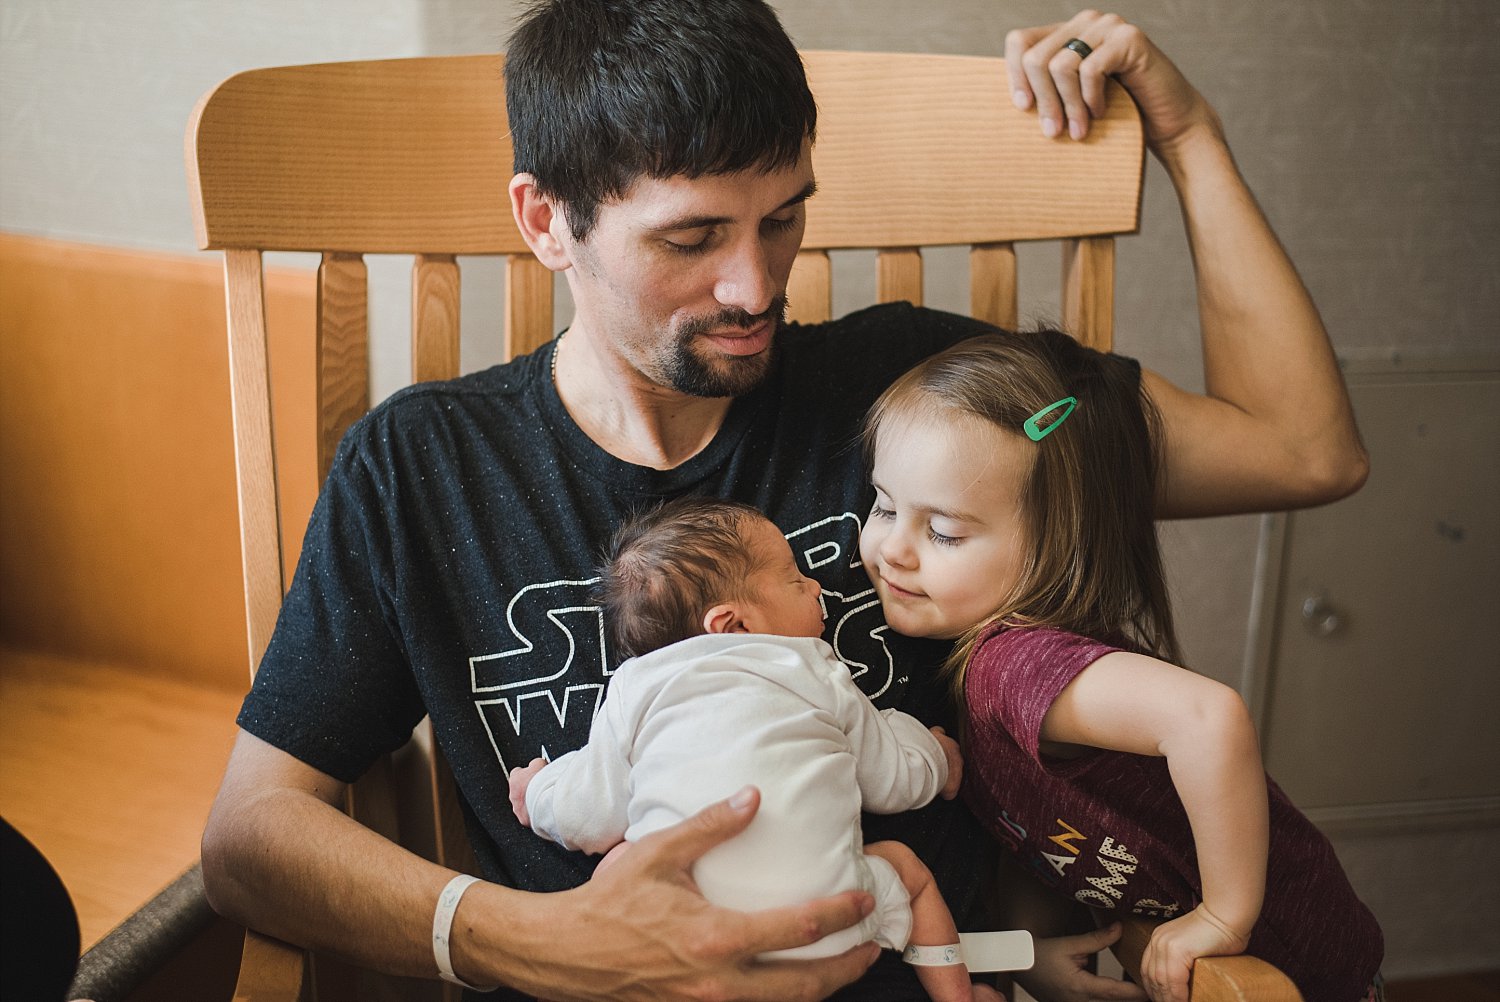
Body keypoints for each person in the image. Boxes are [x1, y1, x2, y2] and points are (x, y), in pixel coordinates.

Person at [198, 3, 1369, 1001]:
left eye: (784, 218)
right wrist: (530, 940)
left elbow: (1302, 453)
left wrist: (1188, 133)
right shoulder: (423, 466)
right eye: (693, 237)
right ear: (547, 221)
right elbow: (250, 839)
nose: (756, 286)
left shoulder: (917, 402)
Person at [858, 330, 1383, 1002]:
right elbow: (1032, 819)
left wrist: (1224, 915)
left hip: (1294, 970)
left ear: (1056, 547)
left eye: (944, 532)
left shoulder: (1016, 664)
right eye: (883, 506)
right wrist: (1029, 949)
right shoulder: (983, 668)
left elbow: (1210, 718)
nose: (891, 549)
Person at [508, 496, 1003, 1002]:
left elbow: (589, 811)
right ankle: (958, 996)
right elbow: (891, 777)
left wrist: (537, 792)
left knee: (621, 858)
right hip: (834, 922)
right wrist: (939, 759)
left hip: (680, 940)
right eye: (794, 579)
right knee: (907, 871)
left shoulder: (636, 687)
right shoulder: (811, 666)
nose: (815, 586)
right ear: (734, 625)